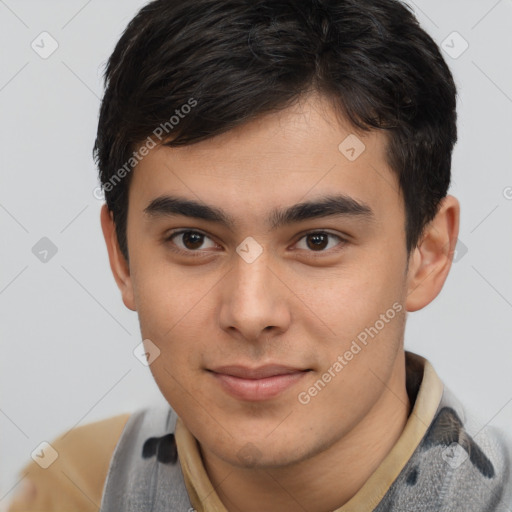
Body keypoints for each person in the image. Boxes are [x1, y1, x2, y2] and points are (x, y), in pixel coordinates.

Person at [8, 0, 512, 510]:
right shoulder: (69, 491)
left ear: (428, 253)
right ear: (122, 255)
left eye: (318, 240)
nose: (250, 314)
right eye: (193, 240)